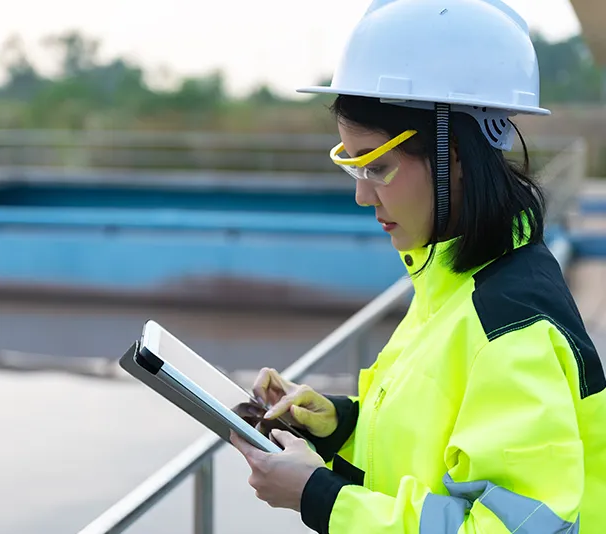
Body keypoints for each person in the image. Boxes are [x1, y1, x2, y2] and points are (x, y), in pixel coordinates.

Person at [228, 0, 606, 532]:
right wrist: (337, 425)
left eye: (377, 166)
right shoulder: (452, 282)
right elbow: (438, 451)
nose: (362, 195)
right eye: (352, 164)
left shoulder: (511, 327)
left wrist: (324, 499)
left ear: (454, 154)